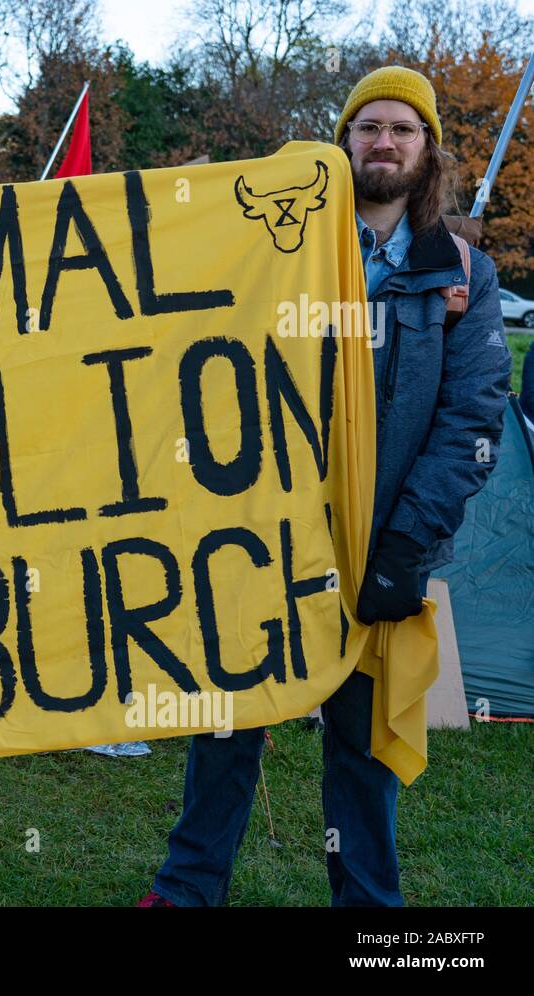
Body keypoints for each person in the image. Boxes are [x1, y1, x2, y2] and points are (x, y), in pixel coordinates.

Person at [139, 66, 511, 907]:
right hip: (262, 538)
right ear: (341, 146)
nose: (383, 141)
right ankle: (187, 890)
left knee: (362, 747)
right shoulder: (278, 248)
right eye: (367, 127)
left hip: (379, 546)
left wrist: (407, 545)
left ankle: (371, 911)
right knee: (228, 723)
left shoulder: (461, 272)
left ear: (428, 150)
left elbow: (474, 418)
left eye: (402, 129)